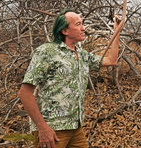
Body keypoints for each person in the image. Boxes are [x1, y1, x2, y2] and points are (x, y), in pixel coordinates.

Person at [18, 9, 122, 148]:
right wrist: (42, 128)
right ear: (65, 31)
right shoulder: (46, 52)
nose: (83, 28)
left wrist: (117, 30)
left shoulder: (82, 55)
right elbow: (24, 93)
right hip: (52, 129)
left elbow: (111, 60)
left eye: (82, 24)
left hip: (75, 127)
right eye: (78, 24)